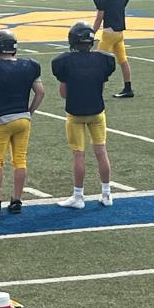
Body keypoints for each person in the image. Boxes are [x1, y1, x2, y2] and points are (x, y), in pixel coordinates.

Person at [0, 30, 45, 216]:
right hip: (23, 119)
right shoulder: (29, 65)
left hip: (2, 120)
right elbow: (40, 92)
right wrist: (29, 111)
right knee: (20, 159)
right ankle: (16, 200)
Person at [52, 22, 116, 209]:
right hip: (97, 112)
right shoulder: (104, 60)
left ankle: (78, 196)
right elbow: (102, 88)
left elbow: (63, 93)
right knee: (101, 151)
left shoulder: (63, 62)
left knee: (79, 155)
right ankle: (106, 194)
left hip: (75, 113)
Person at [93, 0, 133, 98]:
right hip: (120, 33)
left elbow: (99, 18)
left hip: (109, 34)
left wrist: (92, 33)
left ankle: (97, 93)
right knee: (123, 60)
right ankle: (128, 88)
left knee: (99, 63)